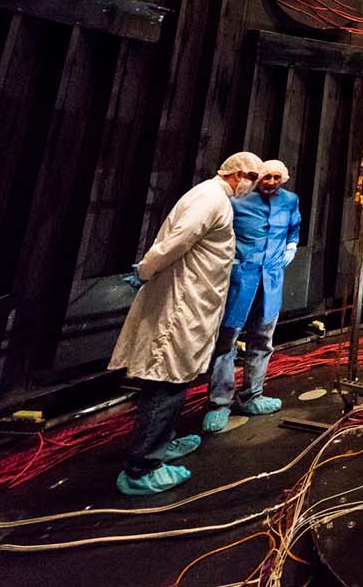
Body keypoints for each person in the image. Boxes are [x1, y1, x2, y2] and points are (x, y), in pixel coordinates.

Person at [109, 151, 264, 495]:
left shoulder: (213, 199)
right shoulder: (210, 199)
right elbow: (176, 241)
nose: (254, 185)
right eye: (252, 177)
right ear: (236, 173)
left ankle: (162, 443)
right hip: (181, 306)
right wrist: (146, 270)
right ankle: (143, 466)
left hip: (191, 302)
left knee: (173, 380)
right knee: (166, 381)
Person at [202, 159, 301, 433]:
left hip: (271, 280)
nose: (271, 182)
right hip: (240, 279)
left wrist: (291, 247)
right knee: (226, 341)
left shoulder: (290, 201)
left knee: (263, 338)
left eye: (276, 178)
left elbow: (294, 229)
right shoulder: (237, 201)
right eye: (266, 177)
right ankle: (219, 402)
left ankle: (252, 396)